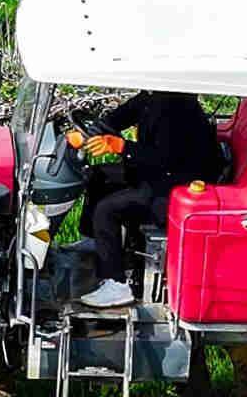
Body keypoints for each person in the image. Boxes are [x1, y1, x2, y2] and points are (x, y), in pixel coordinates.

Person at [65, 89, 234, 298]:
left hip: (175, 188)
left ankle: (116, 285)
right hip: (160, 174)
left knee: (106, 210)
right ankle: (95, 245)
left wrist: (121, 146)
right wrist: (86, 134)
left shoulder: (178, 108)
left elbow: (165, 158)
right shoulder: (154, 95)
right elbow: (122, 115)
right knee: (98, 175)